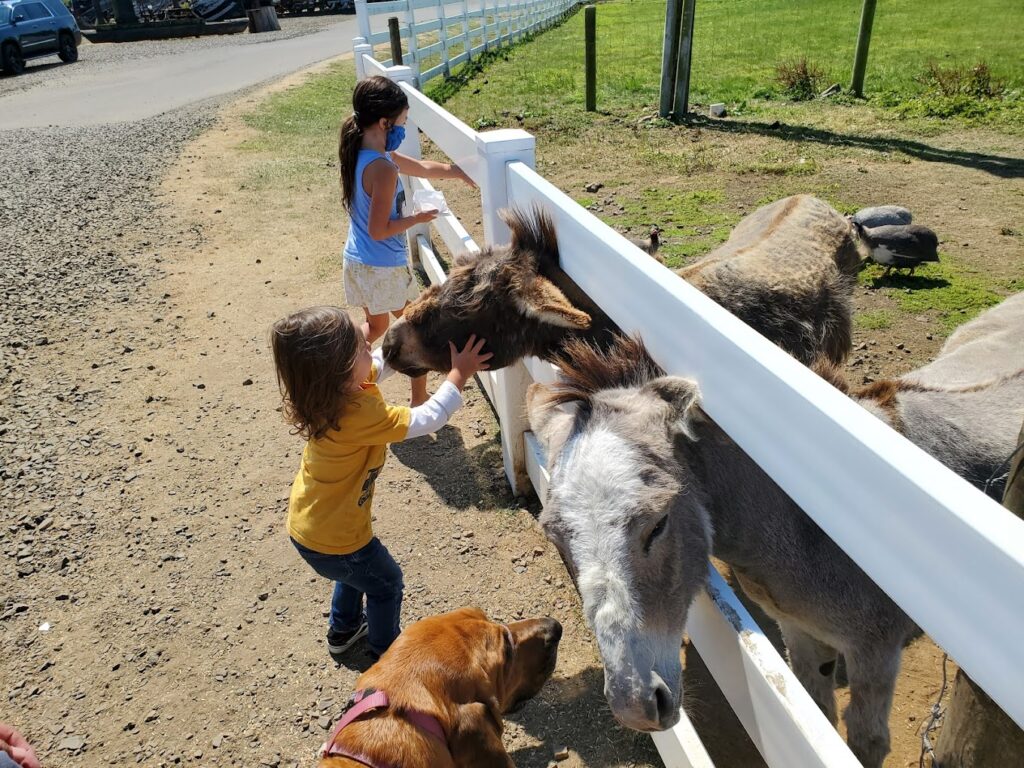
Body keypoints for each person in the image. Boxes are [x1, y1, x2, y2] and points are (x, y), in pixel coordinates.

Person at [271, 306, 492, 660]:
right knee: (386, 583)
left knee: (356, 575)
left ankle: (343, 630)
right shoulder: (358, 414)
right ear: (342, 373)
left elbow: (379, 362)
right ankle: (387, 656)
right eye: (360, 347)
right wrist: (458, 374)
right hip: (338, 537)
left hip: (313, 528)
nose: (368, 343)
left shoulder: (328, 394)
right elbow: (428, 418)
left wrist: (405, 341)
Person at [339, 75, 475, 406]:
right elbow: (379, 229)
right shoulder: (383, 169)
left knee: (375, 325)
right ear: (384, 122)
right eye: (401, 123)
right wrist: (417, 219)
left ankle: (341, 371)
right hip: (382, 265)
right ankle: (417, 399)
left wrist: (454, 170)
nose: (403, 129)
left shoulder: (366, 151)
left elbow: (420, 167)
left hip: (359, 260)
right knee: (417, 327)